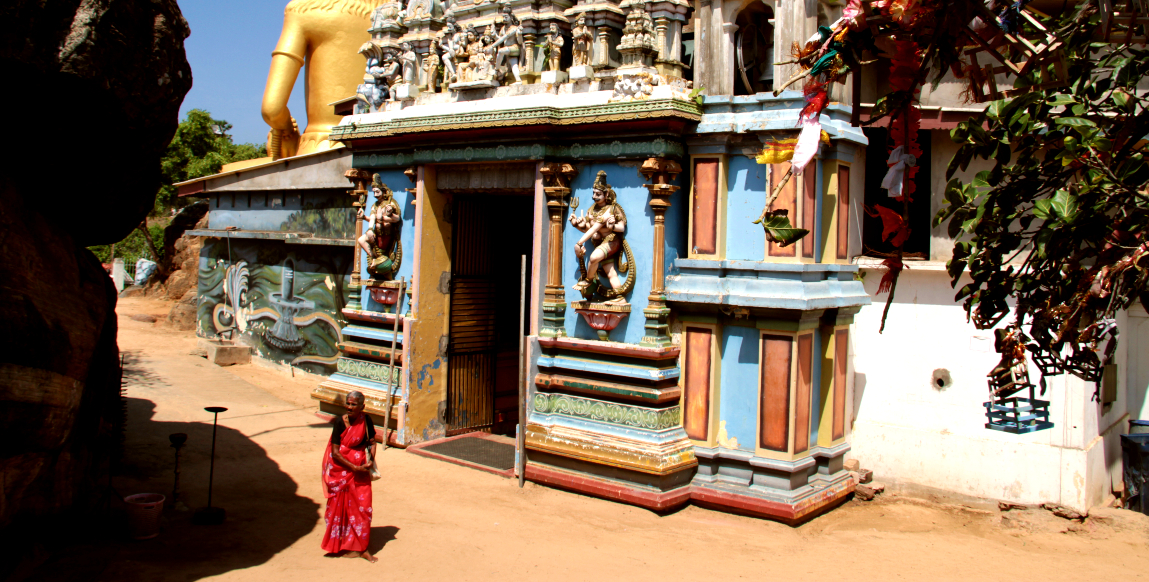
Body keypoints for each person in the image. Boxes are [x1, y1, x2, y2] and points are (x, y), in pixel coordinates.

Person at [321, 390, 380, 562]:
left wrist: (370, 461)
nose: (349, 407)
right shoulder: (340, 422)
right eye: (348, 403)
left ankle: (362, 548)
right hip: (343, 472)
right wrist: (354, 467)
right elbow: (335, 452)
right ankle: (342, 544)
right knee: (341, 507)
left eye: (353, 404)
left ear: (362, 407)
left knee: (363, 508)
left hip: (361, 471)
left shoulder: (366, 420)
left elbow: (372, 443)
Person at [570, 170, 628, 303]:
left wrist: (611, 226)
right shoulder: (592, 210)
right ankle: (620, 298)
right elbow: (589, 230)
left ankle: (588, 281)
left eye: (598, 194)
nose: (594, 196)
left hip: (612, 241)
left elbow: (621, 228)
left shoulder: (610, 209)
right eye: (593, 193)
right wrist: (577, 225)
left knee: (593, 258)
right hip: (600, 243)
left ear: (606, 194)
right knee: (610, 272)